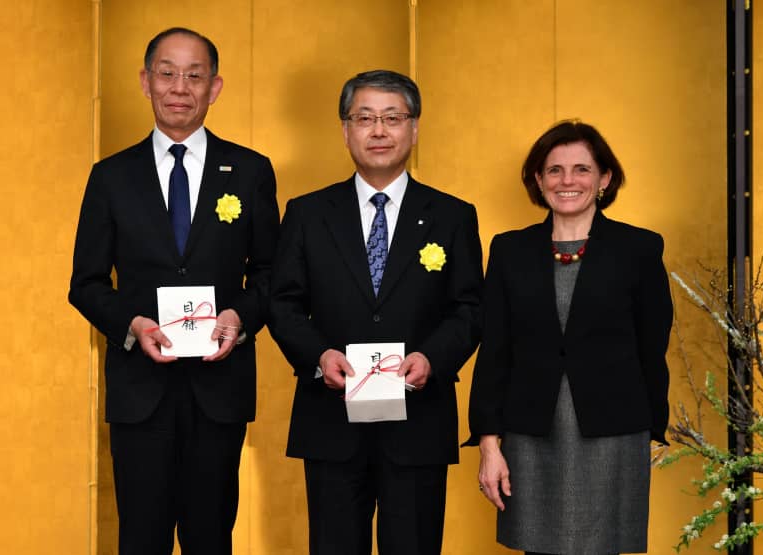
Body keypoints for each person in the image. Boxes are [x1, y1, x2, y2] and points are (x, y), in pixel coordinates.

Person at [68, 27, 279, 554]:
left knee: (211, 537)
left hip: (219, 387)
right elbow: (86, 283)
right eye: (167, 73)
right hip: (141, 390)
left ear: (216, 86)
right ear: (145, 82)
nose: (179, 87)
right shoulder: (111, 177)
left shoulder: (251, 171)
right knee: (142, 537)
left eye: (194, 74)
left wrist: (240, 317)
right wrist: (132, 326)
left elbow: (273, 273)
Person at [268, 69, 483, 555]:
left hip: (418, 421)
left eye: (392, 117)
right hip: (331, 419)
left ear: (414, 127)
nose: (379, 130)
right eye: (364, 118)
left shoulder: (453, 215)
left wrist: (433, 357)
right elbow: (283, 304)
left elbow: (470, 308)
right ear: (345, 130)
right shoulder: (307, 213)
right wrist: (319, 355)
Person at [466, 120, 673, 554]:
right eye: (554, 170)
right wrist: (489, 444)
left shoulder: (639, 249)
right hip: (530, 435)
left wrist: (652, 429)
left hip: (613, 434)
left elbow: (652, 345)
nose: (568, 181)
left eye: (582, 169)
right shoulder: (509, 250)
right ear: (538, 180)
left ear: (604, 178)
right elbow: (495, 351)